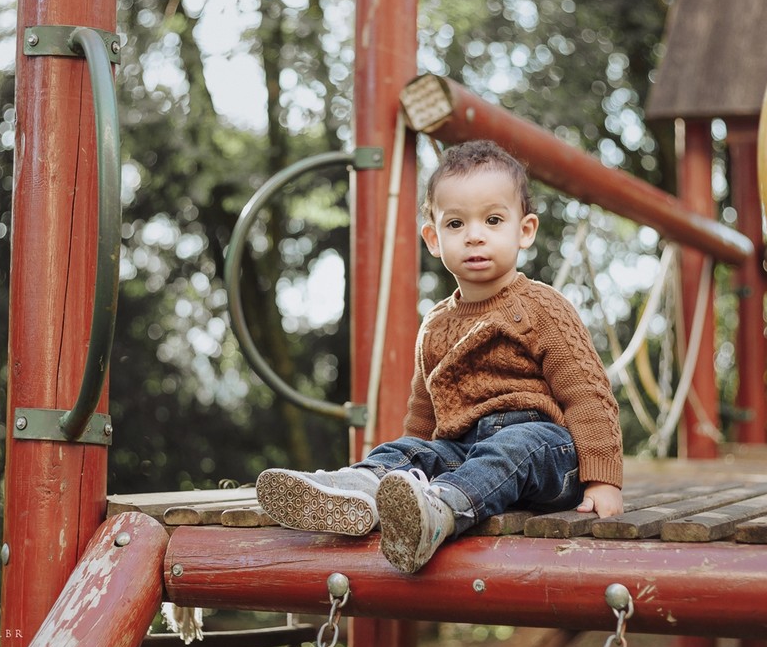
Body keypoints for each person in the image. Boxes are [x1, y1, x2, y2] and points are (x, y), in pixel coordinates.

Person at [256, 139, 624, 573]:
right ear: (433, 238)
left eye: (492, 220)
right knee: (408, 450)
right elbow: (424, 414)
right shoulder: (434, 325)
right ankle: (355, 490)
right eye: (455, 223)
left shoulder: (542, 307)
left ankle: (439, 511)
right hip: (463, 451)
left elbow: (587, 395)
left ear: (524, 231)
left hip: (548, 455)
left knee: (515, 444)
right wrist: (411, 457)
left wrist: (603, 480)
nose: (474, 235)